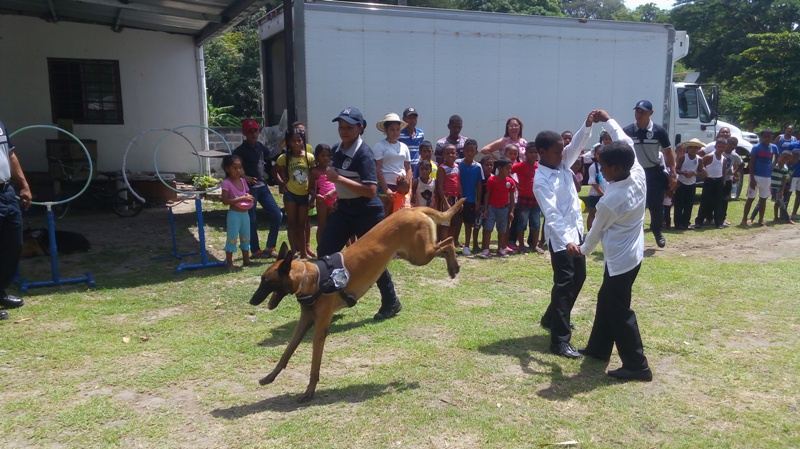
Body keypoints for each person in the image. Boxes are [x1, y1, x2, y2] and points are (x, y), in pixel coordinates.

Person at [567, 110, 652, 382]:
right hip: (631, 255)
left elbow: (595, 233)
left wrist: (579, 250)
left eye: (603, 166)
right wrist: (608, 120)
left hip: (620, 261)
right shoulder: (636, 171)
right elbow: (623, 139)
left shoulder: (612, 199)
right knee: (606, 299)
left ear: (615, 168)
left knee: (619, 310)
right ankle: (598, 349)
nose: (600, 169)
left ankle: (637, 366)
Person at [318, 107, 402, 321]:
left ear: (361, 128)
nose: (343, 131)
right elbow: (343, 179)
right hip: (345, 209)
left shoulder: (364, 153)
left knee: (373, 259)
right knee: (326, 252)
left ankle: (391, 301)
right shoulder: (337, 149)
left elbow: (371, 190)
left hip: (367, 212)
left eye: (349, 127)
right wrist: (337, 193)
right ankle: (335, 296)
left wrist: (338, 180)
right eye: (341, 127)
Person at [533, 111, 594, 358]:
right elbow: (552, 214)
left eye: (562, 151)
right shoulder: (541, 180)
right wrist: (567, 240)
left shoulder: (562, 163)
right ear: (542, 152)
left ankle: (551, 317)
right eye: (557, 151)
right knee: (565, 282)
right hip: (561, 239)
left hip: (576, 233)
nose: (563, 154)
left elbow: (577, 144)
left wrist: (587, 125)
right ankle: (559, 340)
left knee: (579, 277)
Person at [623, 100, 676, 248]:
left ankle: (657, 230)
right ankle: (636, 236)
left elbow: (668, 152)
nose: (638, 115)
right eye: (637, 111)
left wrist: (673, 173)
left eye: (643, 112)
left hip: (654, 172)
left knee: (656, 206)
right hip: (635, 173)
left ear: (651, 113)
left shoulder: (659, 131)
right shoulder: (627, 131)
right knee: (636, 206)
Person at [232, 118, 283, 259]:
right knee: (252, 219)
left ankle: (270, 247)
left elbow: (270, 154)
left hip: (262, 186)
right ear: (244, 133)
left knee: (277, 214)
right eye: (250, 132)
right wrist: (244, 177)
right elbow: (232, 167)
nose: (254, 134)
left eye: (255, 131)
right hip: (250, 189)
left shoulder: (259, 146)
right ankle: (255, 250)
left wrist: (283, 142)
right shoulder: (240, 151)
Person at [0, 119, 31, 320]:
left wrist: (24, 184)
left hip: (6, 192)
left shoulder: (0, 125)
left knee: (13, 245)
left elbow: (10, 154)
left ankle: (0, 290)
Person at [274, 127, 314, 258]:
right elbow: (274, 171)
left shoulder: (309, 157)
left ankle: (304, 252)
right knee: (292, 224)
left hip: (304, 194)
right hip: (290, 194)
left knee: (302, 225)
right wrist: (282, 183)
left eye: (299, 140)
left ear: (303, 141)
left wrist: (313, 195)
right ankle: (294, 252)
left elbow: (315, 176)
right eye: (293, 141)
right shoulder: (284, 158)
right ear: (288, 142)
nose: (296, 143)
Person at [220, 155, 254, 270]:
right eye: (234, 168)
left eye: (240, 168)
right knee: (232, 238)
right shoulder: (226, 183)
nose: (238, 170)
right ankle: (229, 263)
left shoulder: (243, 181)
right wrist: (242, 199)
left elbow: (247, 195)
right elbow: (225, 201)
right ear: (227, 169)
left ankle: (246, 260)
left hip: (245, 215)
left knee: (246, 237)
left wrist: (249, 198)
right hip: (234, 216)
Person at [374, 113, 412, 216]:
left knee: (402, 215)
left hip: (402, 186)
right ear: (386, 130)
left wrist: (409, 188)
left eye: (397, 129)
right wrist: (386, 189)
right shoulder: (380, 146)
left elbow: (408, 168)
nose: (395, 132)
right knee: (385, 214)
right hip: (386, 184)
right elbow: (377, 168)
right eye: (392, 129)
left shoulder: (404, 146)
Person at [478, 157, 515, 259]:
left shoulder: (510, 182)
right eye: (507, 168)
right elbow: (487, 194)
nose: (509, 171)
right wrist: (486, 208)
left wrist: (511, 211)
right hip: (492, 208)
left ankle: (500, 248)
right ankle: (486, 249)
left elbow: (512, 197)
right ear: (500, 168)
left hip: (504, 208)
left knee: (502, 229)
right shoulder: (492, 180)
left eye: (510, 168)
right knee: (488, 228)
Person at [741, 129, 777, 226]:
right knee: (750, 198)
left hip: (767, 177)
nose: (766, 138)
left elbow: (777, 157)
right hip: (756, 176)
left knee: (763, 199)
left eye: (768, 137)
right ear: (761, 137)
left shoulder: (773, 147)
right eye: (764, 137)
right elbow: (751, 163)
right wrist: (752, 178)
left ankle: (760, 219)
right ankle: (744, 218)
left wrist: (772, 167)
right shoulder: (756, 147)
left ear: (771, 137)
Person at [511, 144, 541, 253]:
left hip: (536, 200)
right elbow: (507, 172)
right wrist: (515, 183)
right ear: (526, 153)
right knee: (522, 223)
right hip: (523, 200)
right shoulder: (520, 166)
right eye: (531, 152)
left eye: (535, 152)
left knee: (536, 223)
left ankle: (535, 245)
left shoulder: (539, 166)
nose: (533, 155)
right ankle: (521, 245)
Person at [458, 139, 483, 255]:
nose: (469, 153)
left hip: (471, 200)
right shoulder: (458, 164)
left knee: (468, 224)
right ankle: (453, 243)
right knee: (456, 223)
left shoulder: (478, 167)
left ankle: (467, 246)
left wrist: (478, 201)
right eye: (467, 150)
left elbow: (479, 185)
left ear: (476, 152)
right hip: (458, 199)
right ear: (463, 151)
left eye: (472, 151)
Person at [673, 139, 705, 230]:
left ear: (699, 149)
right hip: (681, 183)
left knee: (689, 204)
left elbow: (700, 171)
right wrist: (683, 173)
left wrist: (694, 173)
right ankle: (678, 223)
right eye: (691, 147)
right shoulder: (683, 158)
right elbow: (676, 169)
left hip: (691, 183)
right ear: (688, 148)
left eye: (696, 148)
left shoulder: (699, 159)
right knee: (679, 204)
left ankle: (686, 223)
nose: (693, 149)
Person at [695, 137, 727, 229]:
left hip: (718, 181)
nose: (721, 149)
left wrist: (724, 180)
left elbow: (724, 170)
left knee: (718, 202)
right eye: (719, 147)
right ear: (715, 146)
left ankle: (718, 222)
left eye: (723, 147)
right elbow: (700, 163)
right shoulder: (709, 156)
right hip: (709, 180)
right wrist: (704, 171)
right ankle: (699, 221)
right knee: (705, 201)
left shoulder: (724, 159)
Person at [310, 143, 336, 248]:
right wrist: (316, 196)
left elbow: (339, 185)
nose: (325, 158)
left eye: (328, 156)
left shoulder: (332, 169)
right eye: (322, 156)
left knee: (332, 225)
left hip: (334, 199)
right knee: (322, 225)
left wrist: (333, 192)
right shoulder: (315, 171)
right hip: (322, 200)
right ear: (317, 157)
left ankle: (330, 247)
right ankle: (320, 248)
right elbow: (310, 189)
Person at [435, 144, 462, 244]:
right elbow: (439, 187)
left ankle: (451, 243)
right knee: (445, 223)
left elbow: (459, 183)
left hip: (456, 198)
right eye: (447, 153)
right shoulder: (442, 168)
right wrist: (445, 203)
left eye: (452, 153)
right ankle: (444, 244)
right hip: (447, 198)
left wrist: (460, 201)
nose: (450, 155)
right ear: (443, 155)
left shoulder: (457, 167)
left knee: (454, 222)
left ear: (456, 154)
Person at [472, 156, 495, 255]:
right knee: (477, 225)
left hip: (490, 206)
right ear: (482, 166)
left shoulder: (493, 178)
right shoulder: (479, 178)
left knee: (487, 226)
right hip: (480, 205)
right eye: (486, 165)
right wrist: (477, 202)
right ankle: (475, 244)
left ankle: (485, 245)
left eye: (491, 165)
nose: (489, 167)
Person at [586, 141, 609, 232]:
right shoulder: (593, 167)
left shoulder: (607, 166)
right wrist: (602, 194)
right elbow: (593, 182)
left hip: (605, 194)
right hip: (596, 195)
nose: (601, 155)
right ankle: (590, 232)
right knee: (593, 213)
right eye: (599, 154)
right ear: (595, 155)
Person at [721, 136, 742, 224]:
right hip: (718, 178)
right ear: (727, 143)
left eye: (734, 144)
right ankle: (711, 218)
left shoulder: (734, 155)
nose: (732, 146)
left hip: (728, 179)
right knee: (716, 199)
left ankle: (722, 218)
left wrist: (734, 173)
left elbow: (741, 164)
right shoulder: (721, 153)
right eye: (730, 144)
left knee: (725, 199)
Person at [399, 107, 425, 175]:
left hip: (417, 169)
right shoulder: (399, 134)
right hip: (404, 169)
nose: (412, 120)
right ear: (404, 119)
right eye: (410, 118)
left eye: (414, 118)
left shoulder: (420, 133)